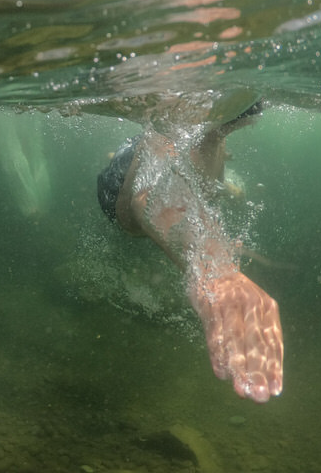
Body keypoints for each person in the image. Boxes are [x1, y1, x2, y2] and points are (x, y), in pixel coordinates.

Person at [97, 102, 284, 403]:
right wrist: (218, 274)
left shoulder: (214, 131)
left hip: (165, 160)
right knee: (150, 185)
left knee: (210, 151)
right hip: (119, 188)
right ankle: (128, 156)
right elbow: (147, 194)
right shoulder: (180, 111)